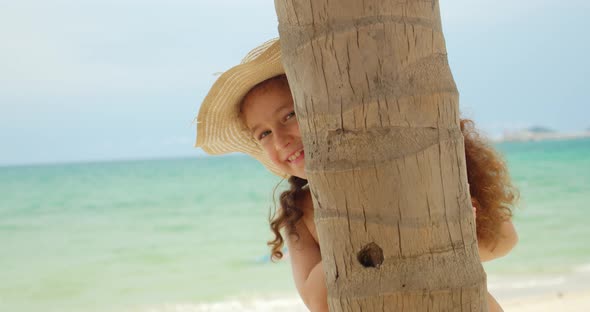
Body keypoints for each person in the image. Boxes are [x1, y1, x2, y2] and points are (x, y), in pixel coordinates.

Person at [196, 39, 519, 312]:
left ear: (324, 107)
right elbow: (317, 301)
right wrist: (361, 226)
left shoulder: (408, 168)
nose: (280, 140)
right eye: (263, 134)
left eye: (290, 115)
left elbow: (504, 240)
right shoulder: (300, 211)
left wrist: (455, 235)